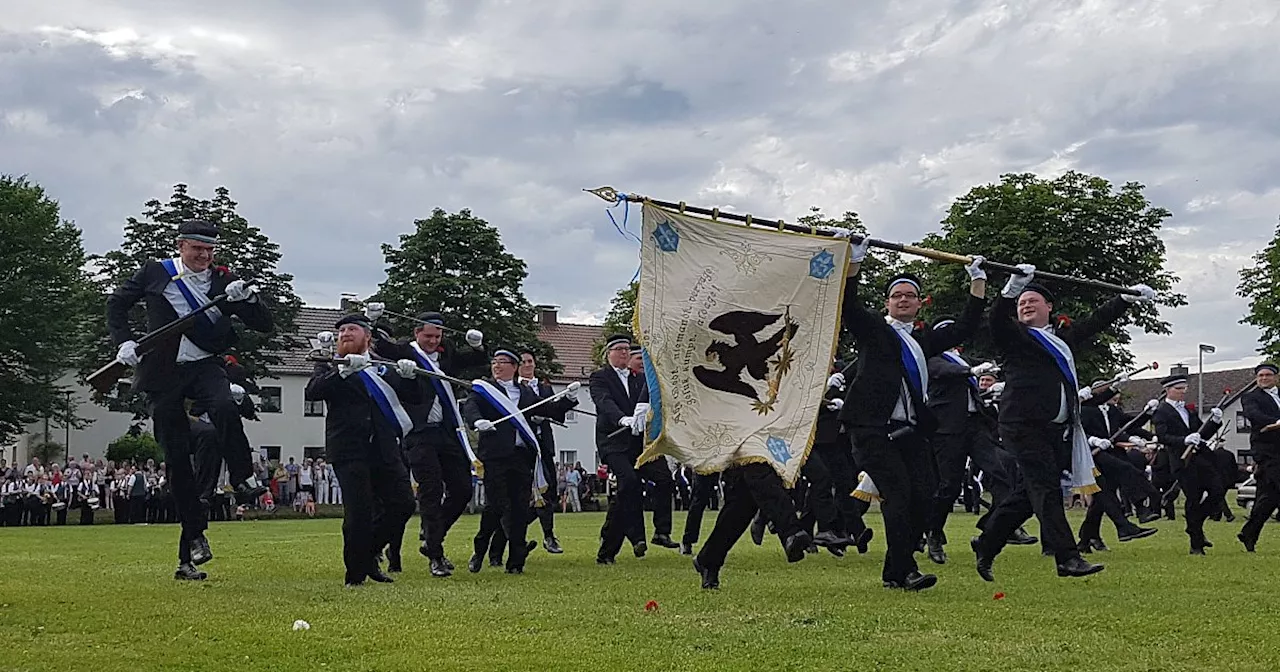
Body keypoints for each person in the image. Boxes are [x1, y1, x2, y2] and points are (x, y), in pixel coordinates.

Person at [106, 219, 272, 580]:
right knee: (178, 462)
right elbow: (116, 305)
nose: (203, 256)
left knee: (225, 407)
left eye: (209, 250)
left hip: (204, 366)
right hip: (163, 374)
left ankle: (243, 477)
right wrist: (123, 341)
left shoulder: (225, 283)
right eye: (197, 248)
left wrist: (250, 299)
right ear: (181, 246)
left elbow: (264, 324)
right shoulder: (155, 273)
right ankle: (193, 540)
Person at [972, 265, 1154, 581]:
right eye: (1022, 303)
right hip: (1022, 425)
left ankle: (987, 542)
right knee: (1046, 489)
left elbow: (1094, 323)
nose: (1026, 305)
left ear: (1049, 308)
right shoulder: (1015, 337)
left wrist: (1124, 300)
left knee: (1028, 496)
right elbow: (996, 321)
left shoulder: (1061, 340)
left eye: (1033, 301)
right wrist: (1010, 291)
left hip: (1056, 429)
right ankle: (1067, 558)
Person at [838, 236, 988, 591]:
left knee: (926, 496)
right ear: (888, 303)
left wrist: (977, 281)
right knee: (899, 495)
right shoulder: (876, 333)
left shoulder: (922, 341)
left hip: (912, 430)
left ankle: (894, 569)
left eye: (910, 295)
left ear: (920, 303)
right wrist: (855, 262)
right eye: (897, 296)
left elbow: (966, 326)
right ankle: (906, 571)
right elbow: (849, 307)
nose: (903, 300)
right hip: (873, 429)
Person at [367, 305, 486, 578]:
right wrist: (373, 320)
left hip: (448, 431)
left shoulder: (447, 354)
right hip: (420, 433)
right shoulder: (406, 352)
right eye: (429, 336)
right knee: (431, 492)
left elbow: (475, 361)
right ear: (417, 333)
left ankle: (434, 534)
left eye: (438, 336)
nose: (434, 341)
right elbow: (380, 347)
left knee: (462, 490)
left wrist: (478, 347)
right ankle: (435, 554)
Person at [305, 314, 419, 587]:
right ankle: (355, 575)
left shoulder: (383, 367)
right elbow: (313, 391)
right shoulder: (329, 365)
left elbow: (415, 397)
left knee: (402, 504)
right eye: (341, 330)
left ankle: (368, 554)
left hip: (384, 448)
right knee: (358, 514)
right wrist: (344, 371)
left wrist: (409, 376)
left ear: (367, 336)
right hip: (349, 449)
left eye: (352, 329)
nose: (344, 334)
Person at [923, 325, 1028, 565]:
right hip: (948, 430)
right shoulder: (933, 357)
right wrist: (971, 370)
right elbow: (944, 371)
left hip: (975, 427)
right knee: (948, 486)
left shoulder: (962, 358)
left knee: (1004, 470)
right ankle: (934, 533)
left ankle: (996, 523)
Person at [463, 349, 574, 574]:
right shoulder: (486, 390)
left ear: (514, 367)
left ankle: (515, 562)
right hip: (495, 457)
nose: (497, 366)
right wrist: (477, 421)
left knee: (519, 509)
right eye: (495, 362)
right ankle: (480, 550)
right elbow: (470, 406)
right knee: (495, 506)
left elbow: (549, 409)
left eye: (502, 362)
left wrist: (568, 400)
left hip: (521, 457)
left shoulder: (525, 393)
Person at [592, 335, 677, 564]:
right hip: (614, 444)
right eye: (619, 349)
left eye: (627, 349)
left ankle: (661, 531)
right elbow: (604, 402)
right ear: (608, 353)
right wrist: (622, 419)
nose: (624, 353)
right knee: (629, 483)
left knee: (664, 480)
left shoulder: (640, 380)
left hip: (640, 444)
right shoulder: (600, 377)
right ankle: (636, 536)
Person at [1150, 373, 1223, 554]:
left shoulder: (1189, 410)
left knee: (1218, 491)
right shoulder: (1161, 411)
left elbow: (1202, 434)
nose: (1183, 392)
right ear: (1168, 390)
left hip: (1201, 458)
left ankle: (1195, 525)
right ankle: (1196, 543)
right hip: (1182, 460)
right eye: (1179, 389)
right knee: (1193, 497)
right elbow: (1163, 437)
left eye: (1184, 389)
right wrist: (1184, 440)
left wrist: (1215, 422)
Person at [1238, 363, 1280, 551]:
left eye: (1268, 375)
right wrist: (1275, 422)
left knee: (1268, 495)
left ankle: (1249, 533)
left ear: (1276, 377)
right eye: (1260, 375)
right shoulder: (1250, 397)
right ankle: (1249, 532)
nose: (1263, 378)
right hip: (1267, 451)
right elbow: (1253, 415)